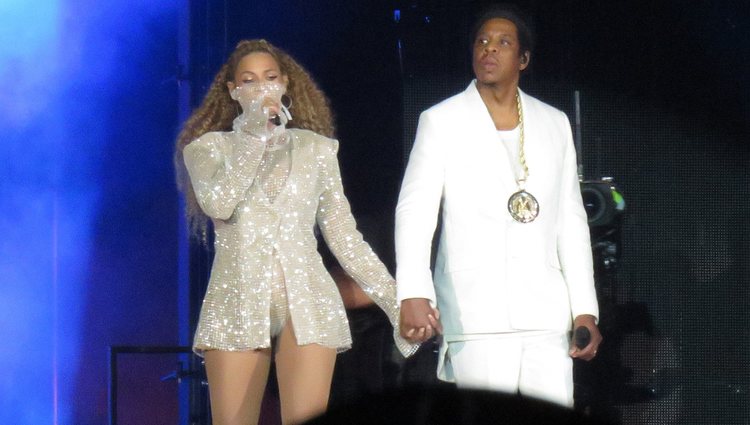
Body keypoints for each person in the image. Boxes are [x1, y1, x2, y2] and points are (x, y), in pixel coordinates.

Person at [174, 39, 417, 425]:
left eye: (270, 78)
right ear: (234, 91)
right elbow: (218, 204)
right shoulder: (207, 149)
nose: (261, 89)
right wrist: (253, 137)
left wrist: (395, 300)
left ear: (285, 84)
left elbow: (344, 236)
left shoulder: (317, 150)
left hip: (308, 300)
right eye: (249, 81)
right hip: (236, 299)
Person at [394, 4, 602, 408]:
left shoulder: (554, 122)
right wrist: (413, 293)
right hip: (476, 311)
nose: (489, 50)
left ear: (523, 59)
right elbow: (415, 211)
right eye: (482, 42)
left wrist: (584, 310)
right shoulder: (441, 120)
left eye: (503, 43)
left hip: (546, 313)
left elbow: (571, 222)